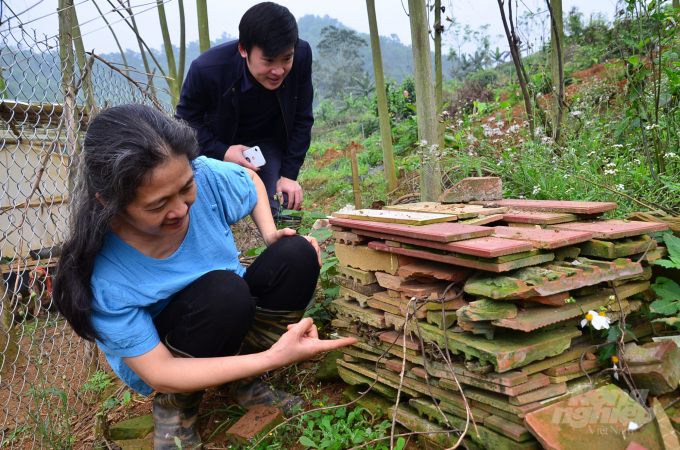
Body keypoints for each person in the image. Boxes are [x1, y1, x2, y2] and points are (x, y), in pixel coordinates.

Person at [52, 105, 354, 450]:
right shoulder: (102, 275)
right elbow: (159, 371)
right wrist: (274, 358)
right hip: (169, 353)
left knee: (296, 253)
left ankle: (241, 378)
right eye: (157, 204)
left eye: (185, 188)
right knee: (225, 291)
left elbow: (252, 180)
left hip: (229, 310)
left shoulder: (200, 175)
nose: (180, 209)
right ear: (110, 202)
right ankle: (175, 407)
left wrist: (270, 234)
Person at [176, 2, 313, 221]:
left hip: (266, 145)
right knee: (202, 215)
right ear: (243, 50)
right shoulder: (206, 70)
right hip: (215, 148)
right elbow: (185, 124)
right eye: (268, 61)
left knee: (285, 208)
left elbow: (302, 118)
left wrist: (288, 175)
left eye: (286, 59)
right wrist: (223, 151)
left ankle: (286, 251)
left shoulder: (302, 55)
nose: (278, 71)